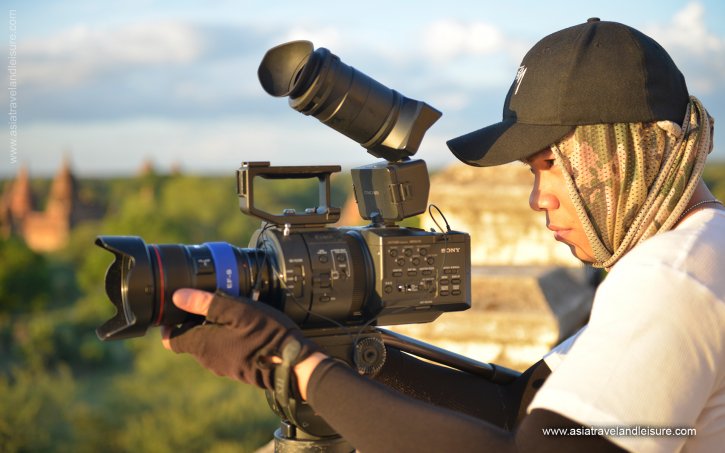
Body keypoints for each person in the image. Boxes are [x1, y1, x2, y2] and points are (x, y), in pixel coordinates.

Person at [162, 19, 724, 452]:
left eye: (551, 163)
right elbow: (519, 411)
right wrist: (345, 353)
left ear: (626, 150)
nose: (539, 198)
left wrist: (294, 365)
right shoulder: (701, 249)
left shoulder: (670, 281)